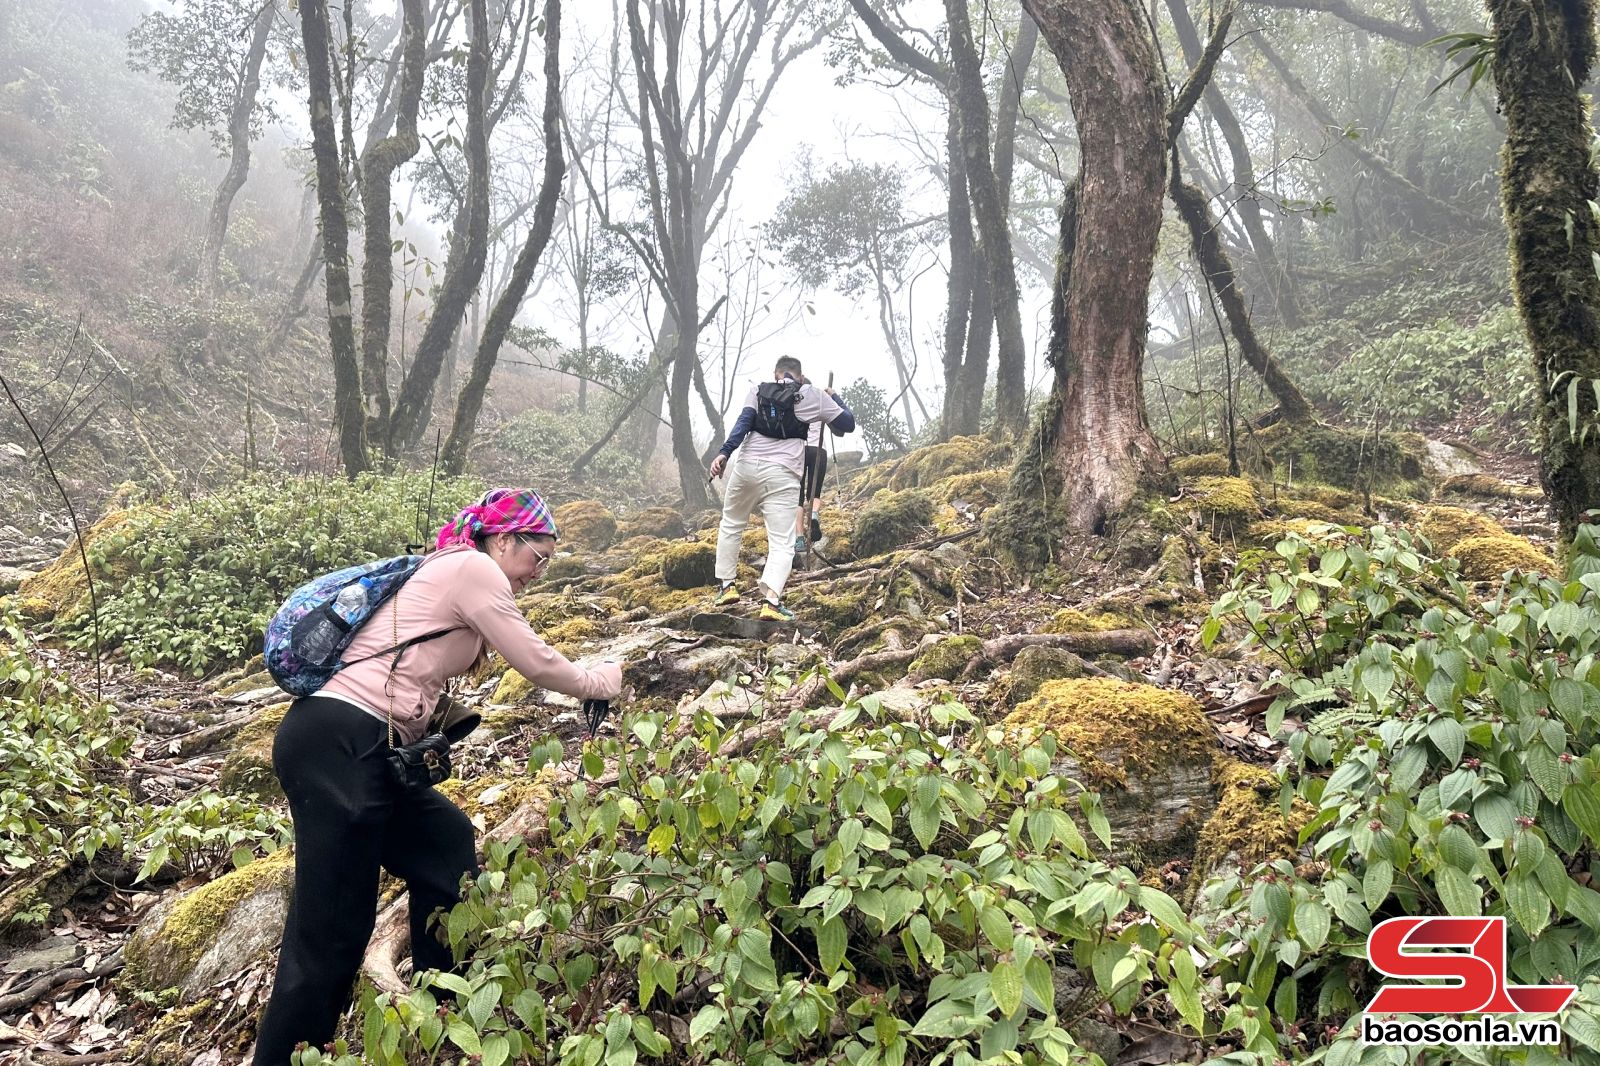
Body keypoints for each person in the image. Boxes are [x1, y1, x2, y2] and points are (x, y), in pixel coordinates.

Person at [252, 488, 623, 1065]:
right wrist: (601, 680)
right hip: (338, 743)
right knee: (332, 933)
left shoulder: (455, 570)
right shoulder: (473, 567)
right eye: (538, 557)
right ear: (504, 539)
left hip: (366, 750)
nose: (538, 572)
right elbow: (536, 661)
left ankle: (440, 1012)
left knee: (446, 848)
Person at [708, 356, 854, 620]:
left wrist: (723, 454)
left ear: (776, 373)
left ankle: (727, 587)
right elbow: (847, 424)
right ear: (800, 376)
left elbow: (743, 423)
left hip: (747, 468)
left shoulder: (757, 390)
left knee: (731, 524)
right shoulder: (811, 394)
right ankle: (771, 602)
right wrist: (834, 397)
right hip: (784, 474)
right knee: (782, 542)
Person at [795, 413, 827, 554]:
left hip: (800, 450)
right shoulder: (820, 404)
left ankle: (800, 539)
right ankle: (814, 515)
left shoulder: (796, 404)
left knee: (798, 497)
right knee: (815, 492)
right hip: (819, 449)